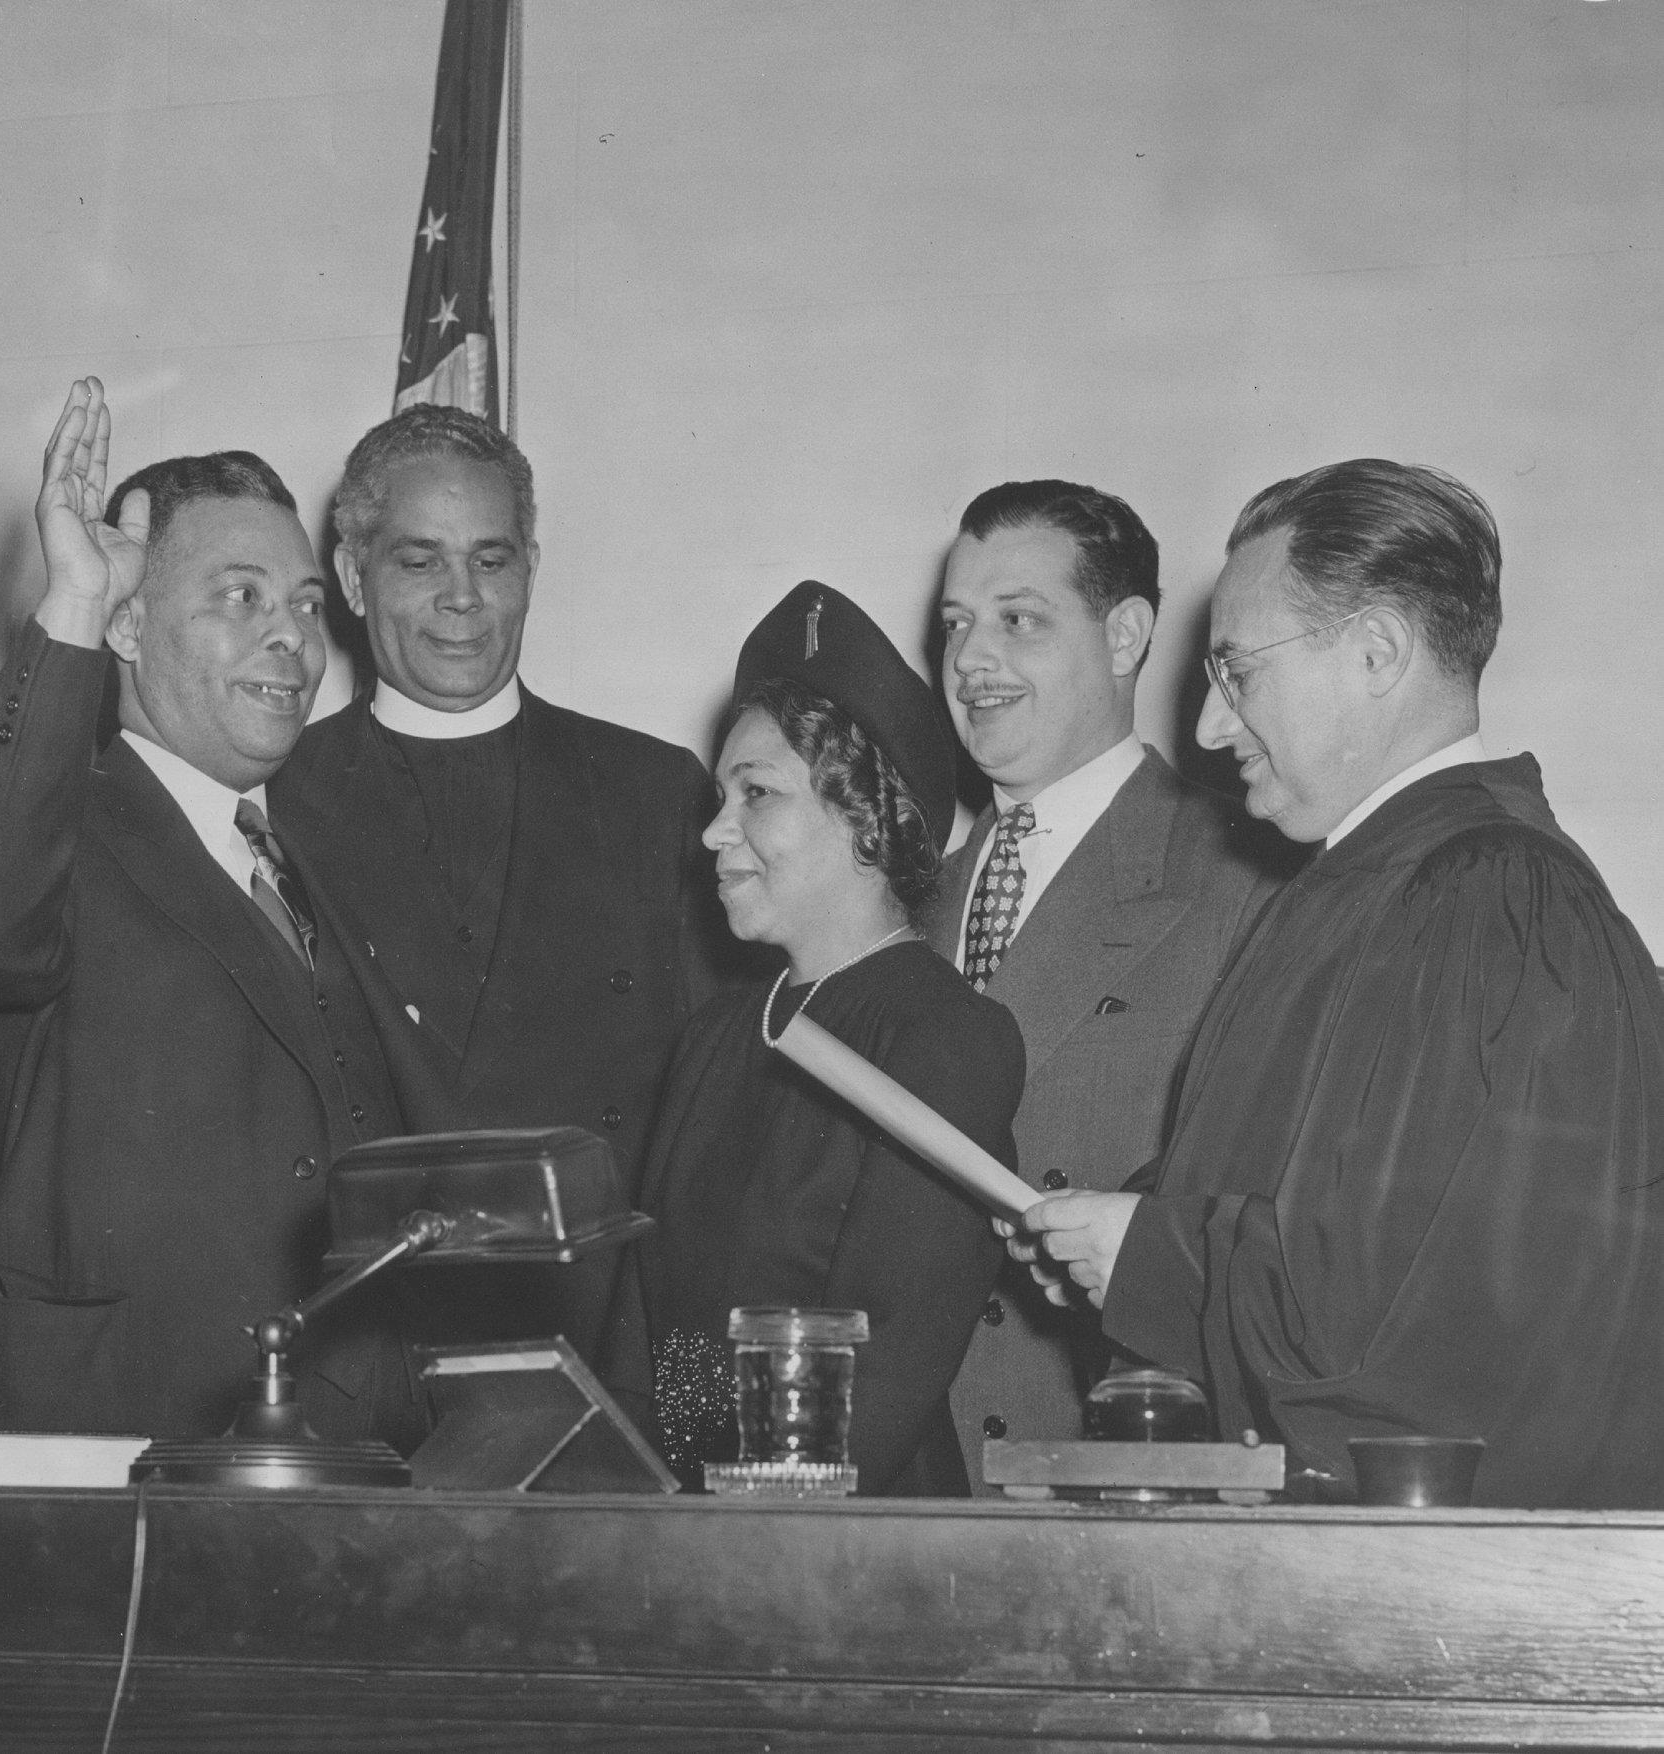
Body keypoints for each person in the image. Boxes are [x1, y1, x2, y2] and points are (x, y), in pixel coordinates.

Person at [1010, 460, 1664, 1509]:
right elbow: (1348, 1201)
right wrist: (1128, 1226)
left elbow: (1423, 1323)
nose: (1211, 729)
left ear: (1377, 650)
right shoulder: (1384, 889)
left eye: (1240, 674)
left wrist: (1151, 1252)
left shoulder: (1486, 901)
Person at [0, 380, 431, 1452]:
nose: (292, 638)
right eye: (239, 596)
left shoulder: (313, 854)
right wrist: (75, 604)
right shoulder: (55, 827)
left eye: (306, 603)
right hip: (102, 1456)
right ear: (131, 627)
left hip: (328, 1456)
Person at [270, 404, 730, 1357]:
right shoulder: (279, 798)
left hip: (607, 1345)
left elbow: (715, 1145)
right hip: (361, 1362)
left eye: (490, 559)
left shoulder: (654, 794)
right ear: (353, 579)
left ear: (530, 569)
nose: (461, 597)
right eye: (418, 560)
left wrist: (684, 1423)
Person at [615, 583, 1024, 1496]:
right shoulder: (722, 1032)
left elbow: (884, 1374)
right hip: (708, 1523)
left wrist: (743, 1525)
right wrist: (675, 1485)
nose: (715, 831)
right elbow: (672, 1329)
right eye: (723, 796)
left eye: (755, 794)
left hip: (850, 1541)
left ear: (866, 815)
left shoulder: (944, 1037)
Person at [922, 480, 1283, 1488]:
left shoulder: (1246, 878)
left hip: (1122, 1483)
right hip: (912, 1487)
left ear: (1125, 634)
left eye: (1018, 620)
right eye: (955, 624)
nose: (971, 660)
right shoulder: (909, 904)